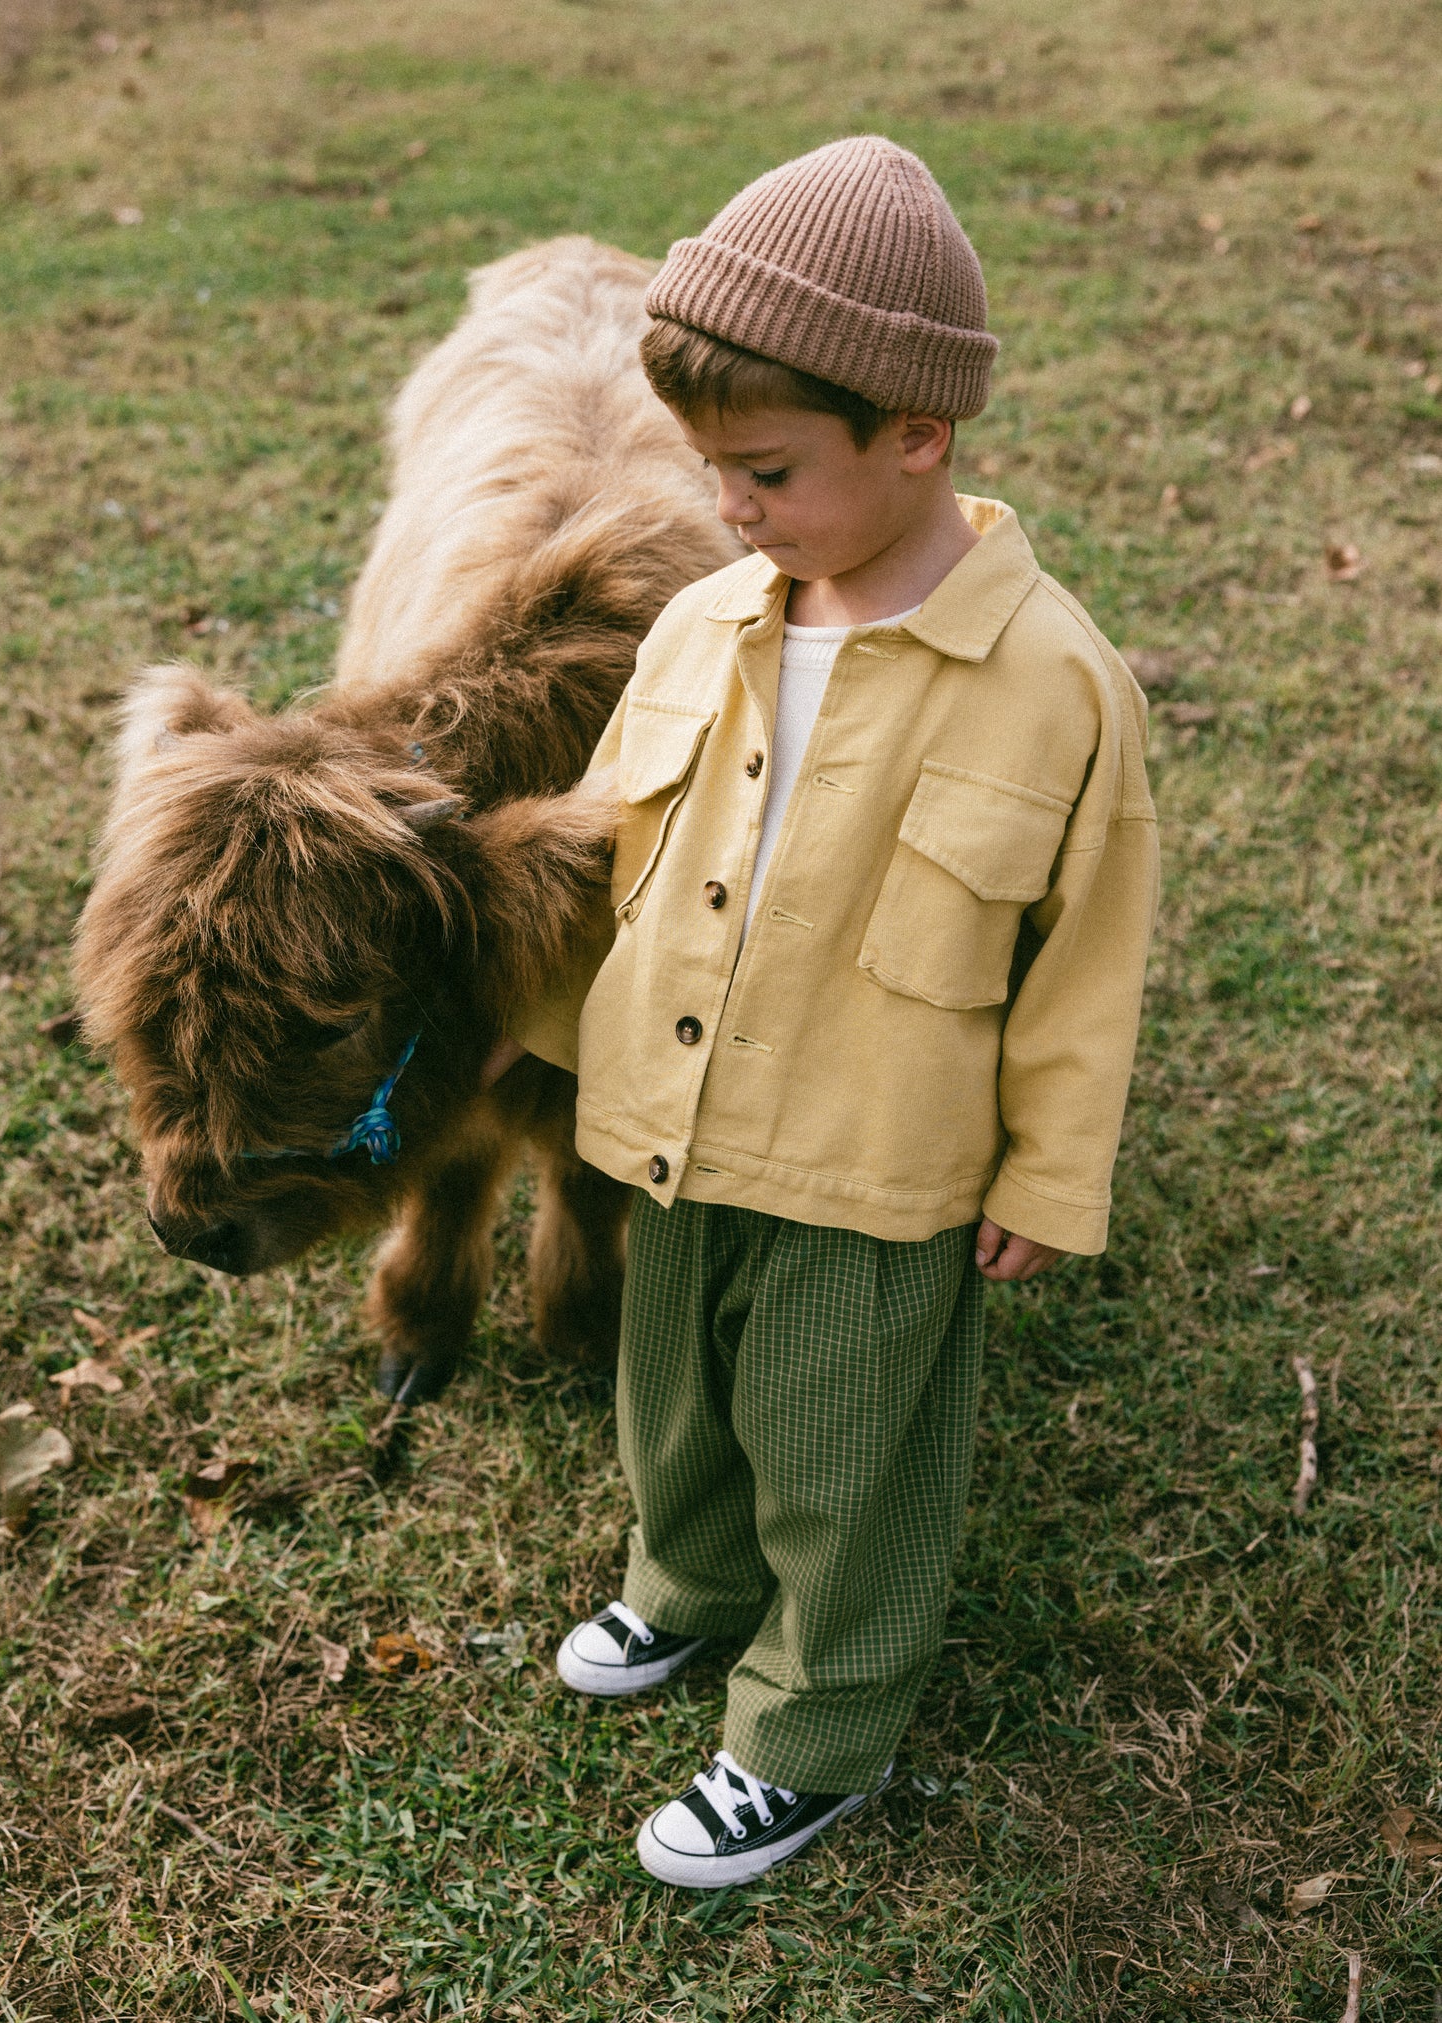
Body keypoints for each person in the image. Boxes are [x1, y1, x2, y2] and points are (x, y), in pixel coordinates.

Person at [511, 135, 1159, 1889]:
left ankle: (811, 1729)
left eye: (770, 472)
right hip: (674, 1120)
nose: (729, 507)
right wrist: (556, 1051)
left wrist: (1046, 1173)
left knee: (842, 1454)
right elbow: (620, 859)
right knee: (676, 1403)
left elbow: (1086, 953)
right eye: (709, 468)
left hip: (879, 1156)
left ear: (915, 435)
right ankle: (689, 1586)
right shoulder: (706, 623)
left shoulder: (1053, 686)